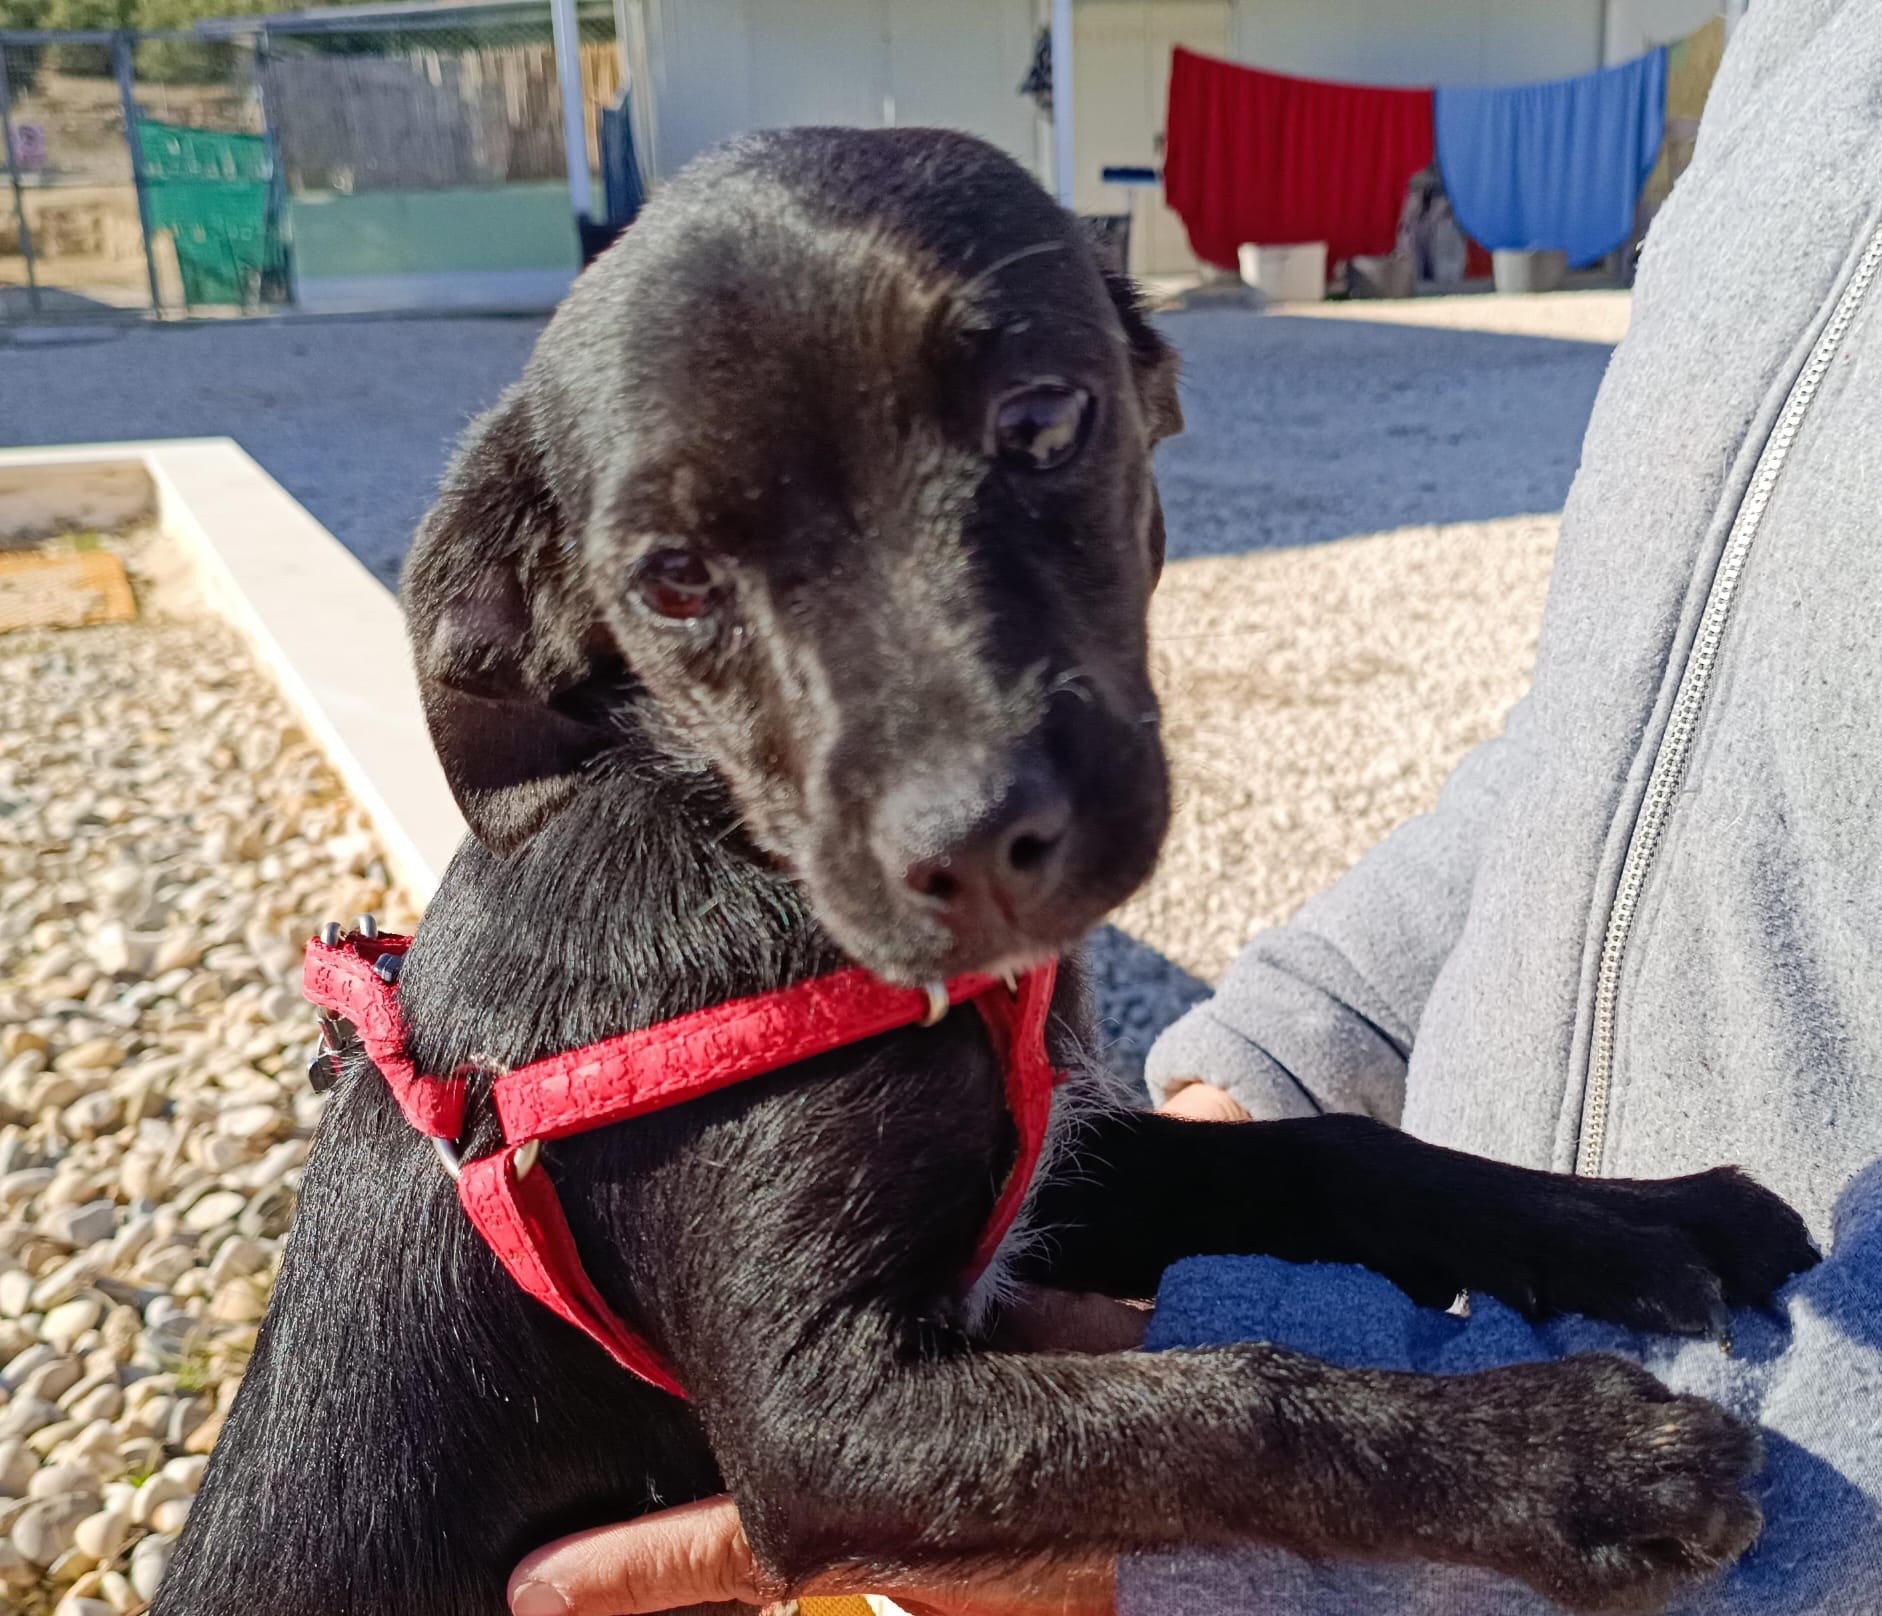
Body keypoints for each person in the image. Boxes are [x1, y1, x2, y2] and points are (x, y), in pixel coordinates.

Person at [507, 1, 1882, 1610]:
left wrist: (1271, 1538)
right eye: (682, 578)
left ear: (1147, 374)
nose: (958, 796)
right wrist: (1287, 1065)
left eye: (1036, 429)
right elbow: (1622, 733)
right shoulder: (1796, 43)